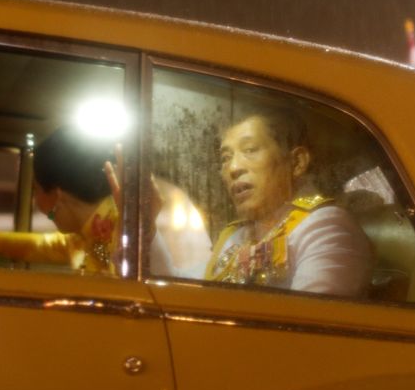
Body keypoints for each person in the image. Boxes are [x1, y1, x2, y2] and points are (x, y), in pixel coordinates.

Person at [150, 107, 371, 297]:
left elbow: (307, 322)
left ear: (296, 162)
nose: (233, 168)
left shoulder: (325, 226)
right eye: (226, 158)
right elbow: (182, 292)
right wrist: (146, 225)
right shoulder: (235, 237)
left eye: (250, 150)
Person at [0, 125, 119, 276]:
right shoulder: (83, 236)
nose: (35, 201)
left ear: (57, 194)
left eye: (35, 190)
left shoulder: (124, 232)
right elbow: (37, 246)